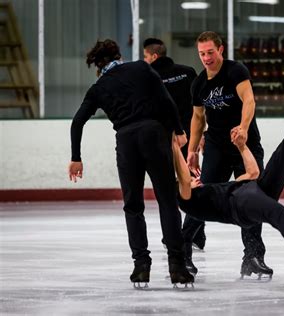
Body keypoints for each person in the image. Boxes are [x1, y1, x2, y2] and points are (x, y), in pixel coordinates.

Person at [173, 63, 284, 279]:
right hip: (241, 204)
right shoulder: (189, 200)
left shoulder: (209, 189)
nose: (193, 179)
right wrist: (178, 145)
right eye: (189, 181)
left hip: (251, 188)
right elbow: (181, 175)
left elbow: (253, 174)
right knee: (278, 212)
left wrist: (241, 146)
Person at [68, 39, 194, 287]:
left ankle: (140, 266)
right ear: (119, 55)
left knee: (133, 206)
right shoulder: (141, 68)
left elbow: (77, 122)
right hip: (154, 136)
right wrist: (179, 130)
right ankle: (177, 267)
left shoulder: (99, 87)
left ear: (98, 64)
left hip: (126, 143)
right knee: (167, 202)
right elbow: (165, 100)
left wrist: (76, 157)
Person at [185, 31, 271, 278]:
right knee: (201, 198)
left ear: (221, 50)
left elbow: (249, 101)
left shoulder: (236, 71)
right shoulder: (199, 83)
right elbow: (198, 118)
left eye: (210, 52)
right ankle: (182, 253)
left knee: (252, 199)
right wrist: (192, 150)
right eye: (202, 54)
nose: (206, 58)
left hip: (246, 146)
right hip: (216, 148)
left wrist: (243, 127)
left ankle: (253, 256)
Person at [142, 38, 206, 252]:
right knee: (192, 184)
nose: (144, 61)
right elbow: (202, 105)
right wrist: (202, 134)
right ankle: (197, 233)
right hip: (191, 139)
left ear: (153, 56)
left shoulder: (150, 77)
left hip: (166, 139)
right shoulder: (188, 71)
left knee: (169, 188)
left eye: (145, 56)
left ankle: (175, 233)